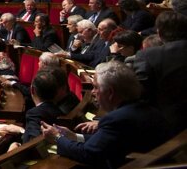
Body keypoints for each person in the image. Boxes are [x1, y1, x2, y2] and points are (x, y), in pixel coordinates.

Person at [42, 61, 173, 168]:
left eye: (96, 87)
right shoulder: (146, 109)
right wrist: (74, 136)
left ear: (110, 93)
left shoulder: (117, 119)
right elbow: (104, 144)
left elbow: (88, 153)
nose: (93, 92)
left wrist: (58, 137)